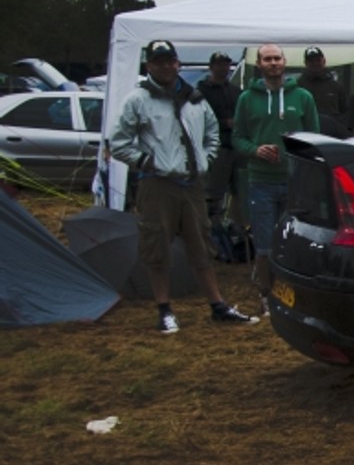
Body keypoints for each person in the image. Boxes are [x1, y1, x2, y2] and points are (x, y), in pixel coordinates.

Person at [107, 40, 259, 333]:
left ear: (178, 64)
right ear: (149, 66)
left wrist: (206, 158)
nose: (165, 67)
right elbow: (119, 142)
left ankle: (217, 304)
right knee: (157, 245)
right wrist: (146, 162)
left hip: (192, 184)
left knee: (201, 243)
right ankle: (164, 309)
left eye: (170, 61)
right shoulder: (138, 100)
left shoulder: (195, 99)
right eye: (158, 62)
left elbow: (212, 132)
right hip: (157, 183)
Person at [233, 43, 320, 296]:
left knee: (295, 243)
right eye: (267, 59)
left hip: (295, 182)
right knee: (264, 244)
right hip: (261, 181)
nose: (273, 63)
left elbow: (314, 137)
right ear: (259, 64)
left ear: (284, 62)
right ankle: (266, 295)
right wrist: (255, 150)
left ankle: (294, 295)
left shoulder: (303, 97)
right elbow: (237, 138)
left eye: (277, 58)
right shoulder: (246, 99)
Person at [196, 51, 245, 233]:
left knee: (240, 192)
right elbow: (197, 119)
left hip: (237, 147)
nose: (223, 68)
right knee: (212, 193)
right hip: (216, 149)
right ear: (211, 67)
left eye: (226, 64)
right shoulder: (201, 92)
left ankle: (238, 230)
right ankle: (210, 230)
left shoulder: (236, 91)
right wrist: (224, 123)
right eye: (219, 64)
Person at [297, 47, 348, 130]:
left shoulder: (336, 86)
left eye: (318, 60)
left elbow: (345, 111)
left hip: (332, 131)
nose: (315, 64)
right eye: (311, 61)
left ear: (324, 61)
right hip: (307, 130)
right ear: (306, 63)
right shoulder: (299, 86)